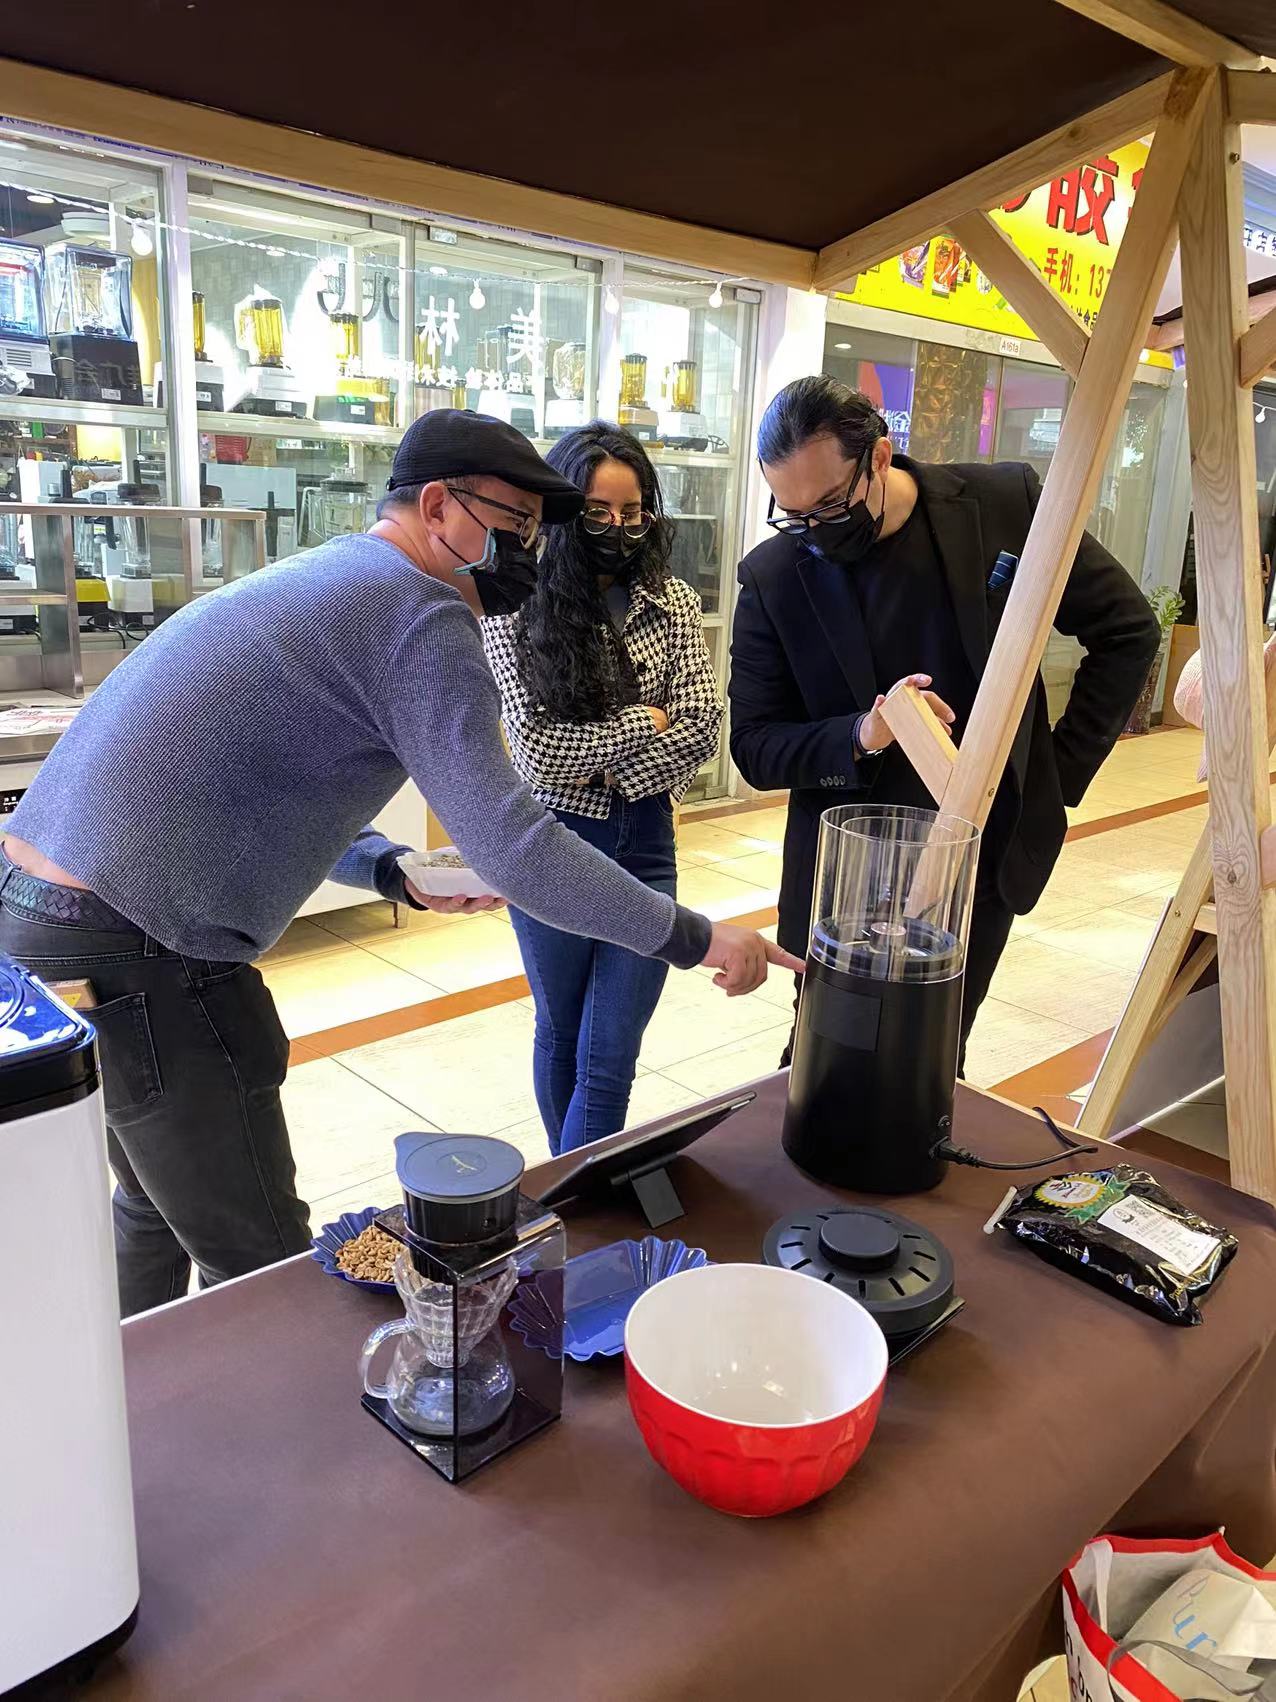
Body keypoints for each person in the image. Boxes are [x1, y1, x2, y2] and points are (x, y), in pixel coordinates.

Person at [1, 410, 798, 1317]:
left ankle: (130, 1423)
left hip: (41, 922)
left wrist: (388, 870)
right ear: (435, 505)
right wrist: (694, 939)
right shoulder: (418, 609)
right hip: (137, 945)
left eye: (539, 530)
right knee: (259, 1265)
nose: (528, 548)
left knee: (152, 1201)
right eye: (513, 522)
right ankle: (282, 1451)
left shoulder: (339, 576)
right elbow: (514, 841)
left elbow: (254, 779)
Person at [729, 375, 1159, 1065]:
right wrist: (863, 732)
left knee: (933, 1055)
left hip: (978, 856)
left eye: (830, 506)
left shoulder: (1001, 504)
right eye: (793, 514)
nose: (815, 531)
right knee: (823, 1056)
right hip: (847, 868)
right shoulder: (776, 576)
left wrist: (1055, 772)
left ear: (878, 456)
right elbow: (754, 745)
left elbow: (1128, 629)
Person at [482, 422, 722, 1154]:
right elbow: (542, 756)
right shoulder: (513, 607)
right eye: (597, 511)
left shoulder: (671, 600)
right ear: (562, 510)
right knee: (561, 1030)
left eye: (632, 510)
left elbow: (705, 726)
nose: (616, 527)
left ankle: (575, 1206)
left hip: (647, 842)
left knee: (610, 1052)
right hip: (551, 844)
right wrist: (645, 723)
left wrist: (610, 755)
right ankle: (575, 1197)